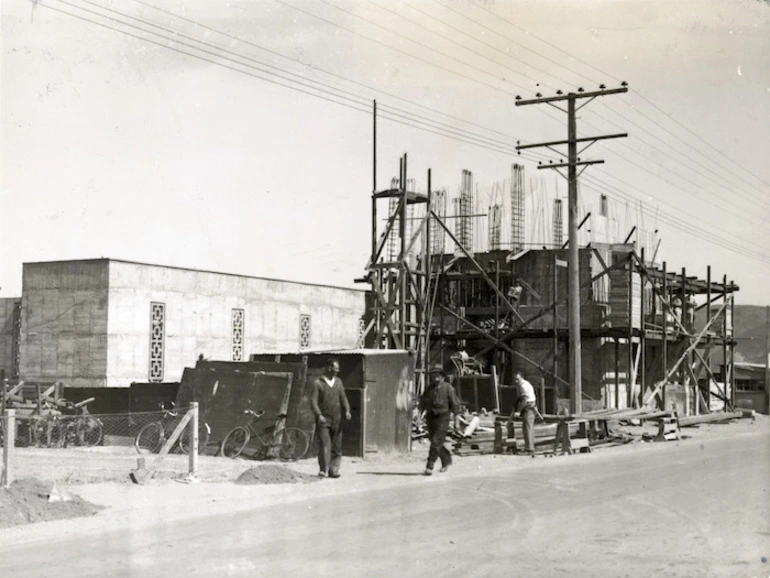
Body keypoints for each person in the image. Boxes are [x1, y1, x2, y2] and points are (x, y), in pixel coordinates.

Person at [310, 359, 351, 479]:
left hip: (337, 419)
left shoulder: (338, 382)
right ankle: (323, 469)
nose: (337, 371)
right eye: (335, 369)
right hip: (323, 419)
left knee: (337, 446)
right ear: (329, 368)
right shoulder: (318, 383)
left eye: (338, 369)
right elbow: (313, 401)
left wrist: (347, 410)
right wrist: (319, 415)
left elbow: (343, 398)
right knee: (324, 444)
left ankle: (334, 470)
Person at [418, 364, 459, 476]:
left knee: (436, 441)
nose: (435, 376)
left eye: (437, 374)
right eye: (433, 374)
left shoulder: (448, 388)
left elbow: (455, 405)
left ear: (442, 376)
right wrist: (419, 416)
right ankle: (446, 461)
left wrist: (456, 421)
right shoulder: (429, 388)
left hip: (443, 418)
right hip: (431, 418)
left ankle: (429, 466)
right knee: (435, 441)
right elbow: (422, 403)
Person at [508, 371, 537, 455]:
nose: (516, 381)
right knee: (527, 427)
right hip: (529, 406)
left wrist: (518, 411)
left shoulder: (523, 386)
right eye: (515, 380)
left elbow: (524, 400)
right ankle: (529, 447)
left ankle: (530, 449)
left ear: (521, 378)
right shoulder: (526, 384)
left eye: (517, 379)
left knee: (528, 428)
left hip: (529, 407)